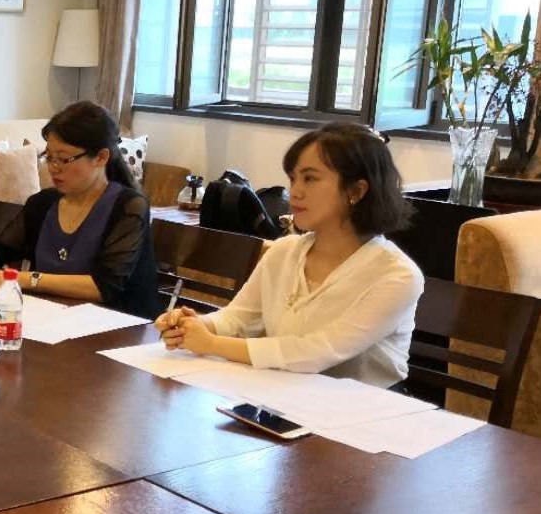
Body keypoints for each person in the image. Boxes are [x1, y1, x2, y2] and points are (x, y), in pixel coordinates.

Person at [156, 123, 422, 389]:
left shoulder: (396, 275)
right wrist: (192, 325)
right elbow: (236, 319)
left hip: (363, 408)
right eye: (293, 178)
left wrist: (212, 343)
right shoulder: (283, 251)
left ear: (356, 191)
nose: (295, 192)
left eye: (310, 179)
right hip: (282, 392)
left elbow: (315, 352)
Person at [0, 101, 157, 318]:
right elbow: (0, 250)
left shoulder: (128, 207)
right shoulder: (43, 203)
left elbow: (105, 286)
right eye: (49, 157)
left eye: (64, 159)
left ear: (101, 157)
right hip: (48, 318)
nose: (53, 167)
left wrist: (24, 279)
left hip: (115, 326)